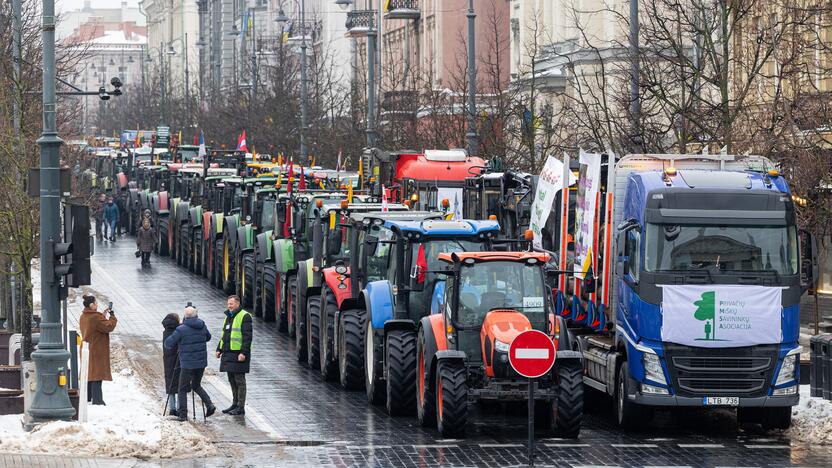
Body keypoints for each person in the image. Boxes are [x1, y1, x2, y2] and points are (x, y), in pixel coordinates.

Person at [165, 305, 216, 421]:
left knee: (181, 388)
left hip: (187, 364)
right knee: (196, 385)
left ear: (185, 316)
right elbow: (208, 337)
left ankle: (183, 415)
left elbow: (168, 344)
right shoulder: (202, 325)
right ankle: (209, 405)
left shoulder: (181, 329)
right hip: (201, 363)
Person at [216, 295, 252, 416]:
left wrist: (243, 353)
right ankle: (235, 403)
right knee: (231, 379)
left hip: (238, 354)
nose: (229, 306)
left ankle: (241, 407)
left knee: (239, 380)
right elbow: (224, 335)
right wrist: (219, 349)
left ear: (237, 303)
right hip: (228, 353)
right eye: (228, 304)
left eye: (231, 304)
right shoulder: (228, 316)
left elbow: (247, 337)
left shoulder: (244, 316)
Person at [79, 295, 117, 405]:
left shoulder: (84, 316)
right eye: (96, 303)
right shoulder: (95, 317)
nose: (97, 304)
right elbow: (108, 327)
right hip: (96, 349)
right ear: (92, 305)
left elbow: (95, 326)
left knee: (89, 373)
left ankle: (88, 397)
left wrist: (102, 315)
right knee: (97, 375)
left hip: (87, 347)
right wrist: (112, 316)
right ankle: (98, 400)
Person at [162, 313, 181, 417]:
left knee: (170, 383)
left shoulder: (165, 331)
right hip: (177, 360)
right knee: (179, 385)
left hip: (167, 361)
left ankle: (172, 408)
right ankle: (179, 408)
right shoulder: (177, 331)